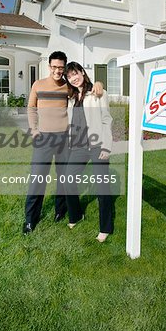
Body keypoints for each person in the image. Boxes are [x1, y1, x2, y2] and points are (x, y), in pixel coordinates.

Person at [23, 52, 103, 235]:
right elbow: (31, 108)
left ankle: (61, 211)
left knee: (63, 177)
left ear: (64, 68)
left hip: (65, 139)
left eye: (61, 68)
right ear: (49, 66)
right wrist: (34, 130)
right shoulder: (38, 84)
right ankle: (30, 219)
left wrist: (99, 84)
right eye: (54, 67)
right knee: (37, 179)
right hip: (43, 138)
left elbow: (87, 88)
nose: (57, 71)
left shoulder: (68, 87)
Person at [64, 61, 114, 243]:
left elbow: (107, 120)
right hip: (78, 147)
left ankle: (106, 227)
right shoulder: (71, 98)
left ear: (82, 72)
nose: (73, 78)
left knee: (102, 189)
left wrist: (107, 146)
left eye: (75, 73)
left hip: (97, 145)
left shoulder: (97, 93)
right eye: (69, 76)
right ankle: (76, 215)